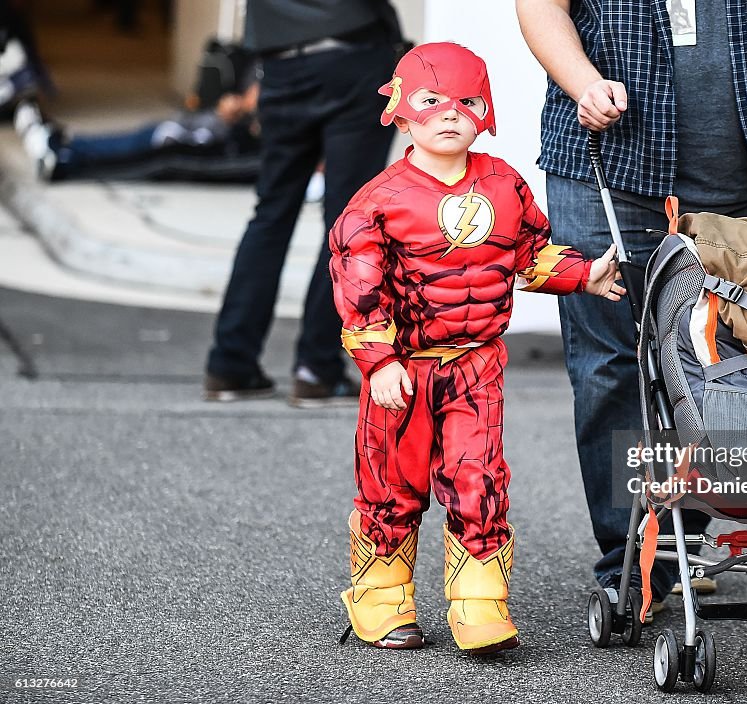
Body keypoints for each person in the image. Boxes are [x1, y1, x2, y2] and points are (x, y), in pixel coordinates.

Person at [515, 0, 747, 603]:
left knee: (742, 361)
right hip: (606, 167)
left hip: (746, 172)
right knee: (609, 365)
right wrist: (583, 84)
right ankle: (633, 558)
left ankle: (692, 539)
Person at [331, 42, 624, 653]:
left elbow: (530, 254)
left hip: (477, 363)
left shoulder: (504, 183)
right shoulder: (377, 202)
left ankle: (479, 605)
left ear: (484, 110)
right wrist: (378, 362)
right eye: (431, 101)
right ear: (401, 111)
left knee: (480, 480)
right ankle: (381, 601)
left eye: (466, 101)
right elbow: (358, 287)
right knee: (391, 484)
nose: (449, 114)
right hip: (403, 368)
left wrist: (582, 274)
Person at [203, 0, 401, 408]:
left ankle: (230, 363)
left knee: (272, 213)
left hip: (280, 62)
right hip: (352, 51)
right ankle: (316, 367)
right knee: (348, 223)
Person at [13, 79, 261, 182]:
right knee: (148, 137)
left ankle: (63, 158)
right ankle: (62, 146)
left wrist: (251, 111)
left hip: (218, 146)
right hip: (205, 133)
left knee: (158, 155)